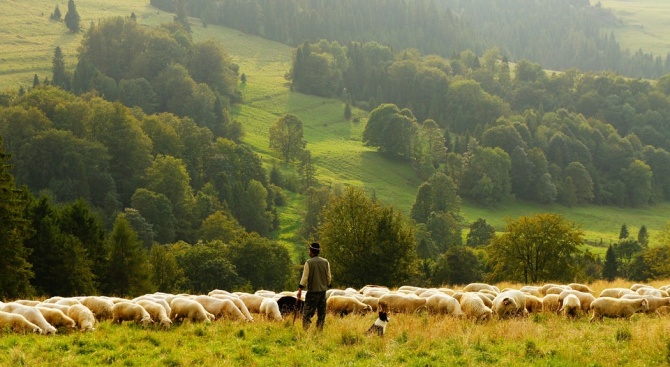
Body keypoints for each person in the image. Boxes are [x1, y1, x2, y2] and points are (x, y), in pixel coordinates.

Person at [297, 242, 331, 331]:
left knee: (307, 314)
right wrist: (327, 284)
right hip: (323, 292)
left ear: (311, 251)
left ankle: (306, 331)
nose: (309, 252)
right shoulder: (325, 262)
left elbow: (304, 278)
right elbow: (328, 277)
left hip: (312, 292)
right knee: (321, 314)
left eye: (309, 250)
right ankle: (319, 331)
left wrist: (300, 289)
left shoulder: (308, 263)